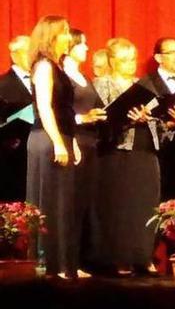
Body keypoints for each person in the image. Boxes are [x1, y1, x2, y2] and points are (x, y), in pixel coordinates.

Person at [93, 38, 162, 276]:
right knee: (121, 205)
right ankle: (120, 257)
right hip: (118, 150)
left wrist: (156, 118)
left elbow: (158, 119)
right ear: (112, 62)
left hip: (145, 149)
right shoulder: (102, 84)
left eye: (132, 59)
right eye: (124, 60)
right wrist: (127, 118)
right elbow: (101, 119)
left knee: (145, 204)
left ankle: (143, 256)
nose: (130, 64)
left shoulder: (144, 84)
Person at [25, 16, 79, 278]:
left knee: (63, 204)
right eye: (65, 32)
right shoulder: (44, 66)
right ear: (52, 36)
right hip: (47, 139)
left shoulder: (58, 66)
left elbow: (66, 109)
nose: (69, 37)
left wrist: (73, 141)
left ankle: (62, 265)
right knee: (51, 202)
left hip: (61, 136)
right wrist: (58, 141)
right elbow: (45, 106)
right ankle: (47, 265)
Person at [62, 29, 106, 277]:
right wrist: (82, 117)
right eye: (83, 45)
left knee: (83, 204)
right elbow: (60, 111)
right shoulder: (61, 76)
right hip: (74, 140)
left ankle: (77, 260)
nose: (87, 49)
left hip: (91, 142)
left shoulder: (82, 76)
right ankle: (66, 262)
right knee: (70, 202)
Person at [139, 37, 175, 201]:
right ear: (158, 58)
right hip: (156, 154)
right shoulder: (145, 84)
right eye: (171, 52)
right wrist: (171, 123)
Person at [0, 35, 33, 202]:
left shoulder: (43, 80)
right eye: (28, 52)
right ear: (14, 55)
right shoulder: (2, 85)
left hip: (40, 152)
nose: (33, 57)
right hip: (14, 159)